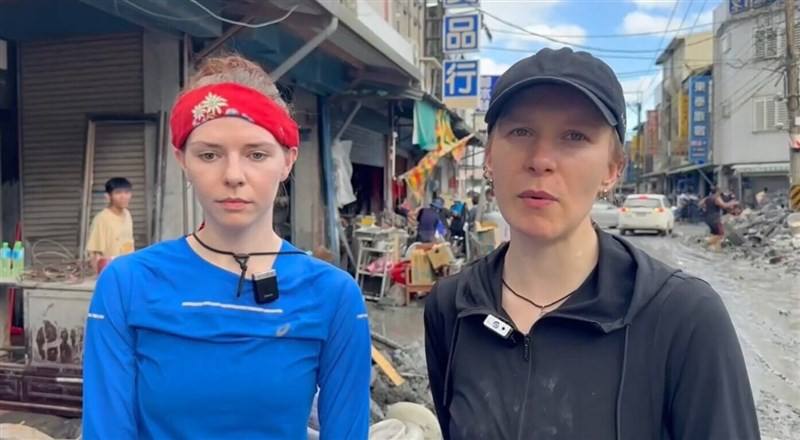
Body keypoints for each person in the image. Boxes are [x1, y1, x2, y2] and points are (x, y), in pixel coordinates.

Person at [424, 48, 758, 440]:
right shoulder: (453, 307)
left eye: (574, 136)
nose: (541, 159)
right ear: (490, 157)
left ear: (613, 169)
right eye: (520, 131)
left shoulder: (683, 317)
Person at [83, 55, 371, 439]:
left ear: (287, 160)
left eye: (256, 154)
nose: (233, 176)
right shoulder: (128, 285)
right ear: (182, 159)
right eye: (209, 154)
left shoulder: (334, 296)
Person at [86, 177, 135, 273]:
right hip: (111, 272)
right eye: (118, 193)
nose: (123, 196)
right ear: (108, 196)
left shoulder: (128, 214)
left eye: (127, 192)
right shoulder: (102, 219)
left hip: (127, 269)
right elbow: (95, 255)